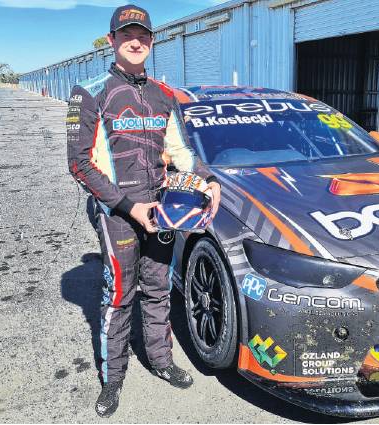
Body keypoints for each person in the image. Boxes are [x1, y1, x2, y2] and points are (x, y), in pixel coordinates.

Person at [65, 4, 221, 418]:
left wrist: (208, 181)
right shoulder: (88, 90)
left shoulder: (164, 94)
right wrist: (129, 207)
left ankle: (161, 360)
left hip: (161, 211)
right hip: (117, 210)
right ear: (112, 40)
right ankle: (112, 377)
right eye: (127, 34)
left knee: (157, 289)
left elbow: (181, 152)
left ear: (152, 41)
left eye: (144, 35)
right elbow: (79, 163)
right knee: (118, 294)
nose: (136, 41)